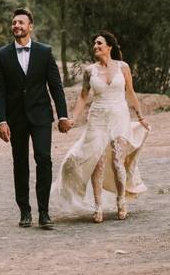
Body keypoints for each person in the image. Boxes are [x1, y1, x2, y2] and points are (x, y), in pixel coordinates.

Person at [52, 31, 150, 223]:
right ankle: (98, 208)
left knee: (117, 159)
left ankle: (121, 201)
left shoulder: (123, 67)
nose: (95, 46)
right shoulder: (90, 71)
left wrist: (140, 117)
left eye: (99, 43)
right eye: (94, 44)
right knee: (97, 161)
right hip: (97, 118)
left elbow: (130, 93)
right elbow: (82, 96)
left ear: (109, 46)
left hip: (119, 115)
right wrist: (73, 118)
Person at [0, 8, 69, 230]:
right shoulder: (2, 54)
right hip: (15, 118)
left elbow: (55, 85)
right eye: (14, 22)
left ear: (30, 26)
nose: (16, 25)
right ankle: (25, 211)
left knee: (44, 159)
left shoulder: (44, 52)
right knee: (20, 163)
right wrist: (1, 121)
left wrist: (62, 115)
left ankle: (44, 213)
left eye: (21, 22)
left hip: (41, 115)